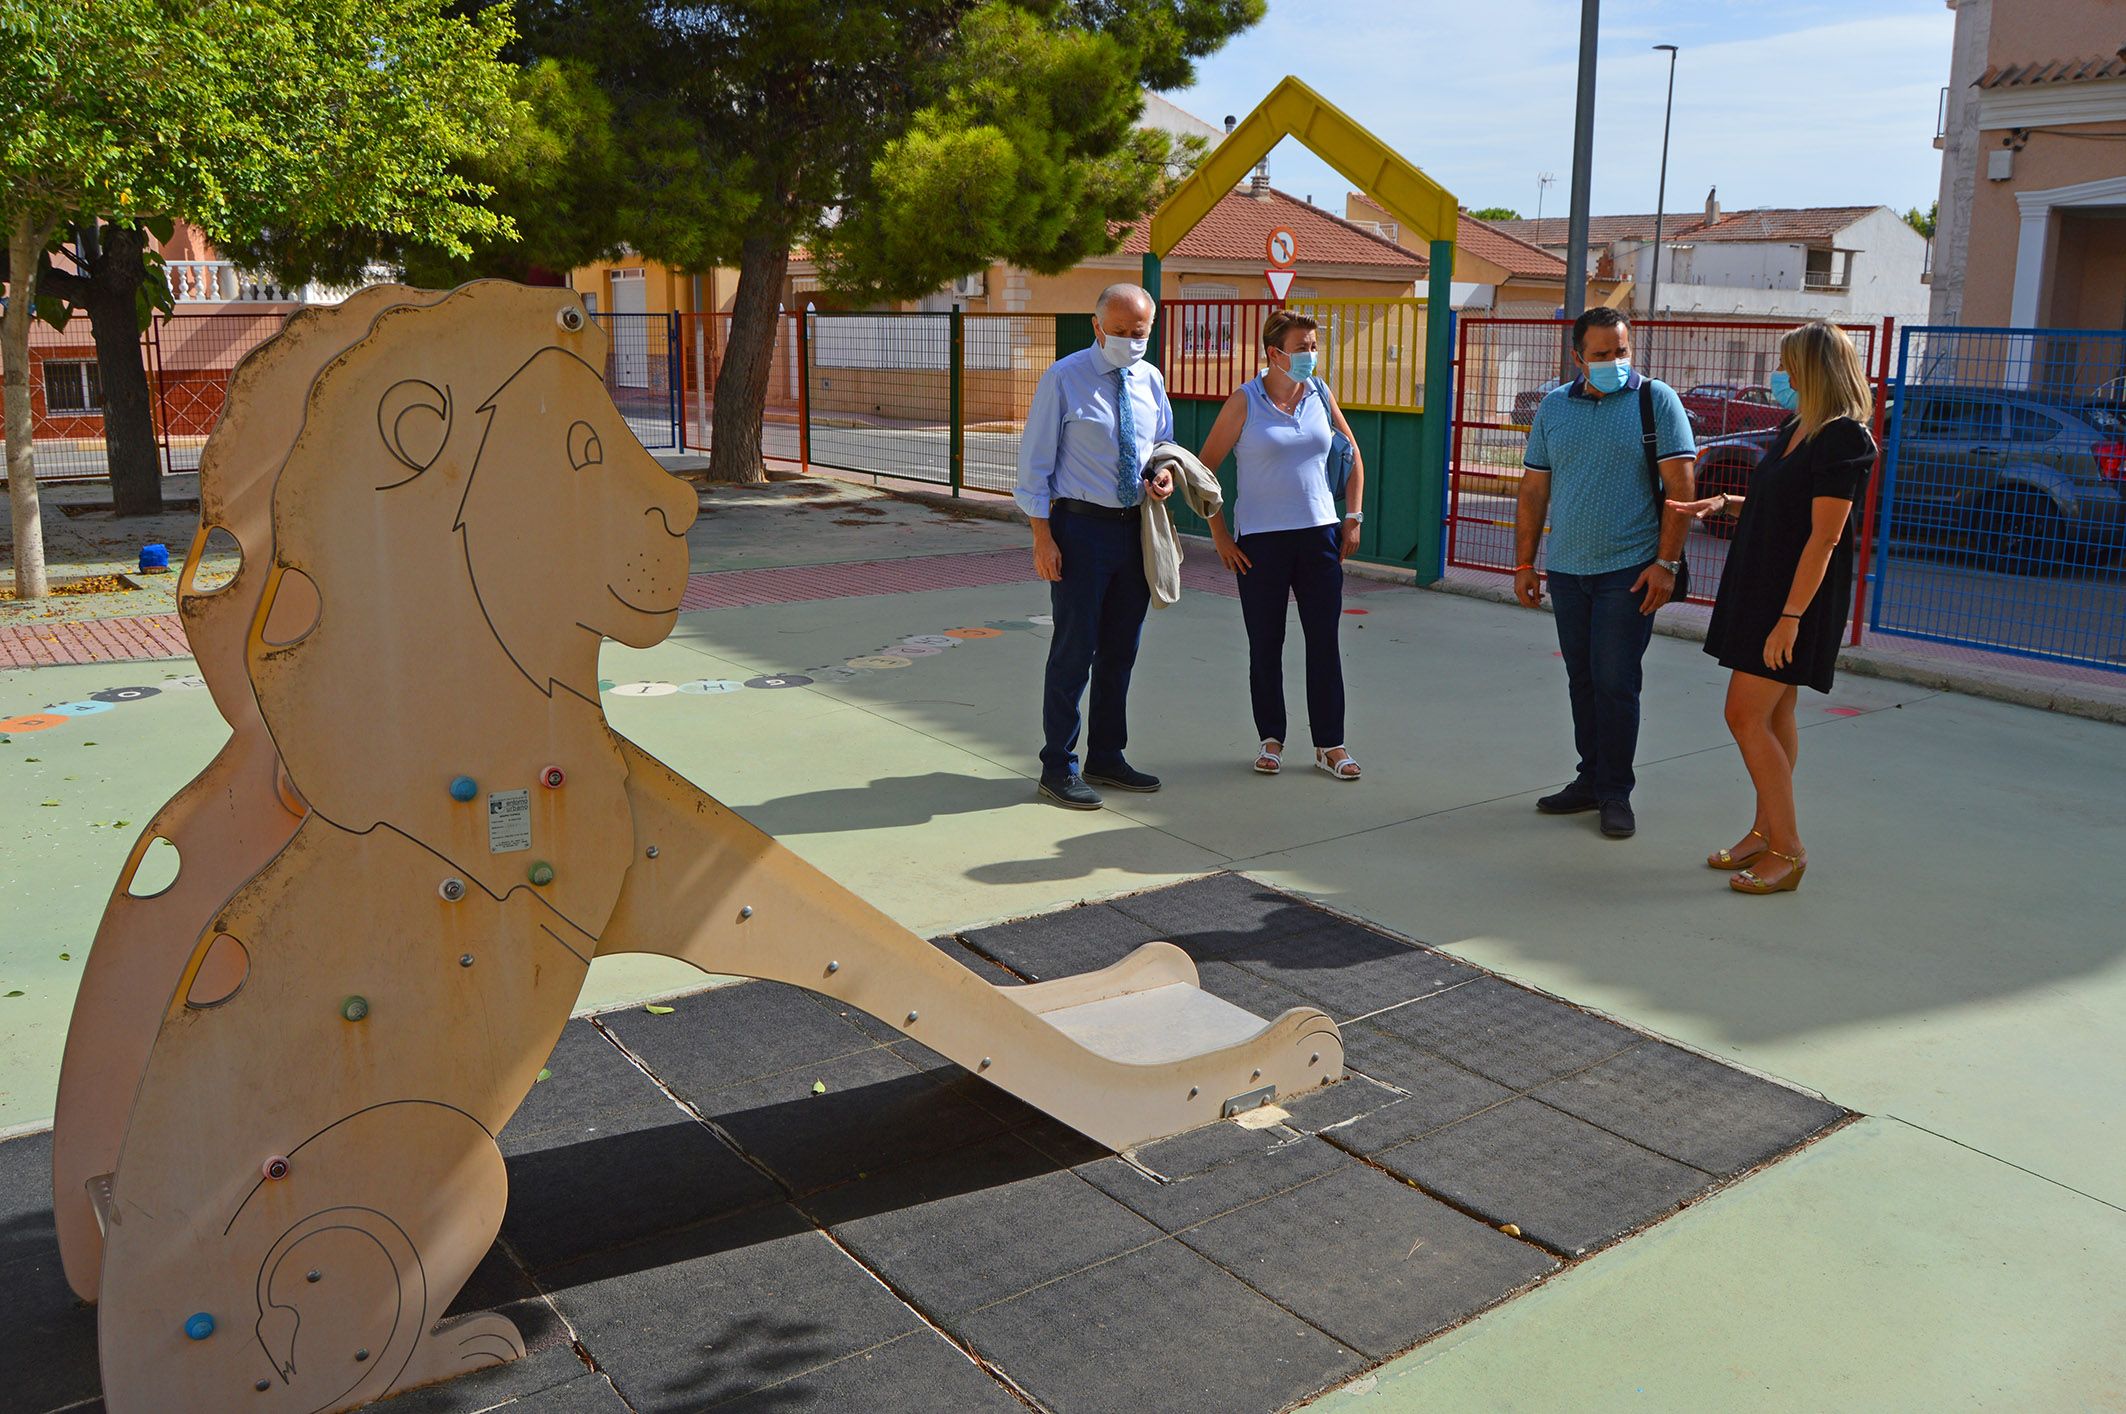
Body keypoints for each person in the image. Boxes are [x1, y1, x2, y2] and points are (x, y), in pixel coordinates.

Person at [1669, 321, 1877, 894]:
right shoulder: (1795, 425)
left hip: (1791, 600)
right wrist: (1730, 501)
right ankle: (1763, 833)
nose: (1777, 375)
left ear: (1813, 369)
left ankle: (1789, 850)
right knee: (1775, 715)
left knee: (1744, 716)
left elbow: (1825, 537)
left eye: (1787, 364)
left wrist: (1790, 619)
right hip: (1761, 588)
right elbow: (1787, 503)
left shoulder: (1843, 437)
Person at [1513, 306, 1697, 839]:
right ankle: (1590, 778)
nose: (1615, 362)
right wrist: (1525, 563)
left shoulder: (1655, 401)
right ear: (1577, 358)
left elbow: (1681, 491)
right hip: (1568, 571)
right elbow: (1534, 489)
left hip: (1631, 570)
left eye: (1621, 351)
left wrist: (1666, 564)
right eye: (1601, 355)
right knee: (1584, 678)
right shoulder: (1552, 408)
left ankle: (1616, 792)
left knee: (1616, 680)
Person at [1015, 284, 1176, 809]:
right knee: (1074, 650)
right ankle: (1057, 766)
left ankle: (1107, 755)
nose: (1131, 342)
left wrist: (1163, 477)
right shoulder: (1064, 378)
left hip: (1134, 530)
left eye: (1141, 333)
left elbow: (1162, 449)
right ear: (1097, 325)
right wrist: (1043, 538)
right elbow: (1034, 468)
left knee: (1120, 652)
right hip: (1080, 532)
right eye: (1123, 332)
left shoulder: (1150, 380)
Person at [1197, 309, 1366, 780]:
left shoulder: (1319, 392)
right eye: (1302, 347)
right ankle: (1271, 739)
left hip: (1319, 539)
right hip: (1260, 545)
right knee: (1265, 644)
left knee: (1324, 644)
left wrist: (1352, 518)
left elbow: (1351, 457)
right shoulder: (1244, 402)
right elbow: (1203, 474)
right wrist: (1222, 537)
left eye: (1314, 345)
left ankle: (1330, 744)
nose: (1311, 355)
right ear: (1275, 353)